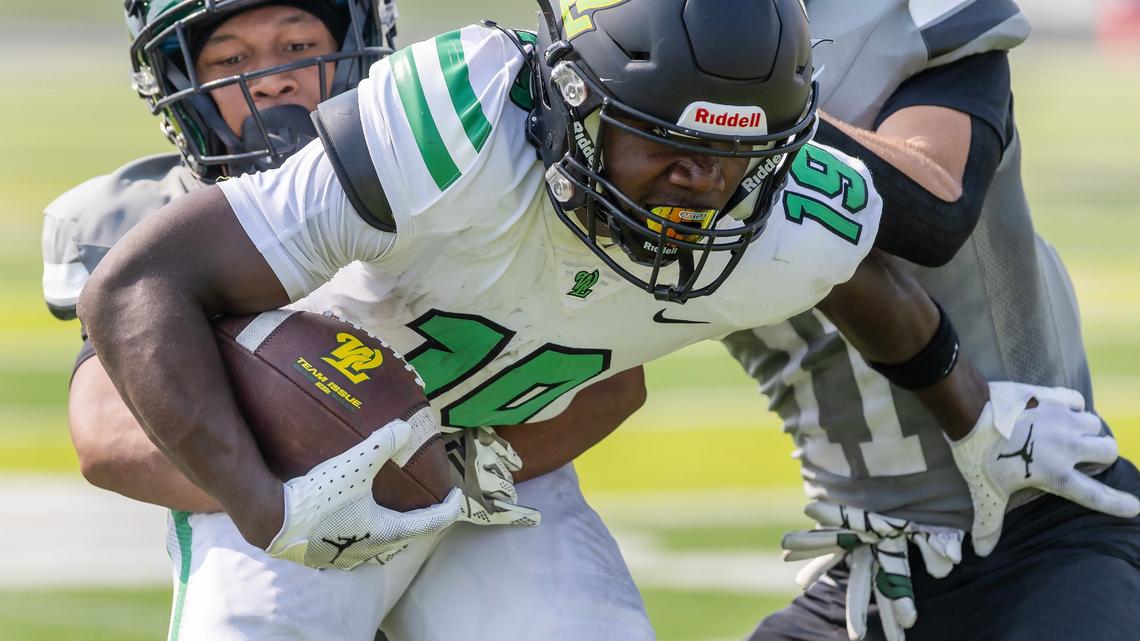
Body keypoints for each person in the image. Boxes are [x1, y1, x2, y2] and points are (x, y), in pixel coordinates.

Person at [73, 2, 1129, 641]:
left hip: (506, 494)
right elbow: (126, 323)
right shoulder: (455, 119)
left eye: (298, 38)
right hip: (309, 496)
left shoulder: (769, 207)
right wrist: (275, 499)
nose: (695, 183)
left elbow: (869, 282)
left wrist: (979, 416)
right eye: (231, 58)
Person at [715, 1, 1140, 640]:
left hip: (1050, 529)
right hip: (869, 572)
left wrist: (731, 113)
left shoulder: (904, 18)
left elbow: (933, 208)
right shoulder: (618, 98)